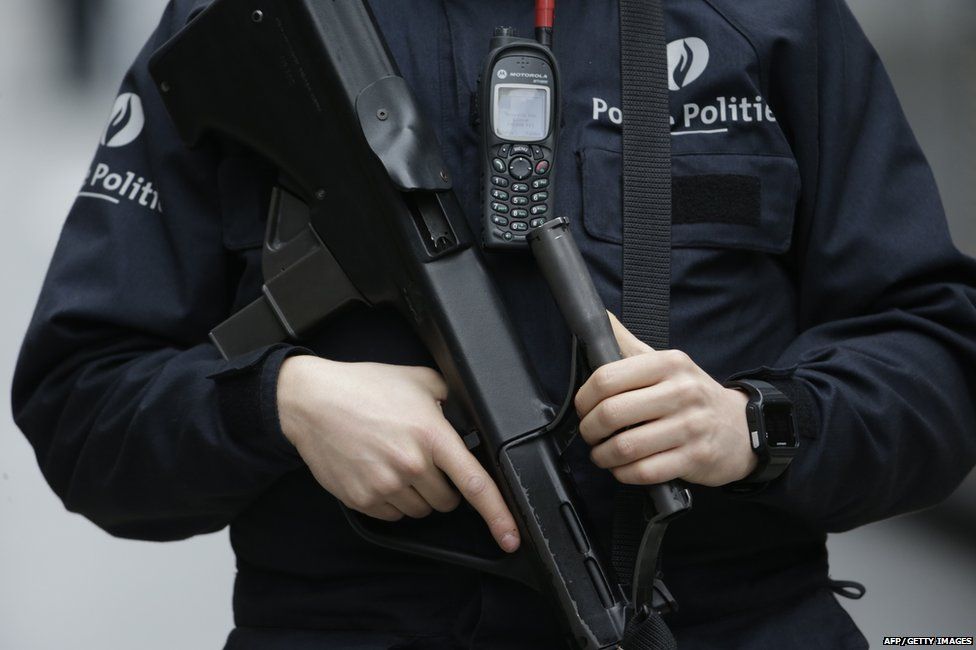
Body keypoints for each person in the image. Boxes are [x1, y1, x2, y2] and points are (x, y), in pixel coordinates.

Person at [13, 0, 976, 648]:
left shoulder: (770, 17)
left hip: (725, 621)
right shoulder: (251, 20)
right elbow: (82, 401)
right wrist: (282, 402)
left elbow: (937, 351)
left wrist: (755, 425)